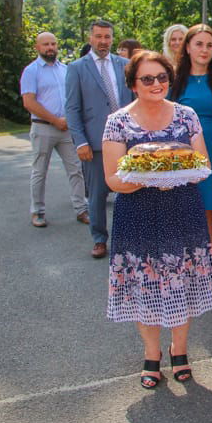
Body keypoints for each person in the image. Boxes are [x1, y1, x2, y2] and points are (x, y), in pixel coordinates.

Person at [102, 50, 212, 389]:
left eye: (162, 77)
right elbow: (112, 179)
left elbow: (201, 167)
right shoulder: (118, 121)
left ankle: (179, 349)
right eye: (147, 79)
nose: (156, 84)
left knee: (182, 284)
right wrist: (151, 177)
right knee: (145, 286)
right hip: (137, 215)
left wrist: (174, 171)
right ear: (133, 84)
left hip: (183, 211)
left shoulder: (187, 115)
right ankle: (152, 354)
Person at [170, 24, 212, 301]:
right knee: (199, 219)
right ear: (187, 47)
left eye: (209, 45)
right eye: (198, 44)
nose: (204, 50)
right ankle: (204, 272)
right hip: (189, 155)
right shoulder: (175, 80)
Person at [65, 20, 134, 258]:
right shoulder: (76, 68)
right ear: (90, 38)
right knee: (97, 195)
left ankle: (127, 237)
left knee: (129, 190)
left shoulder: (125, 65)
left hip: (127, 141)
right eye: (98, 36)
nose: (103, 41)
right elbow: (72, 109)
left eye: (107, 37)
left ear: (112, 38)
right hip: (94, 144)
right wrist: (80, 141)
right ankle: (99, 239)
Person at [20, 32, 89, 228]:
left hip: (67, 128)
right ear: (37, 47)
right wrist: (54, 120)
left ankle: (81, 209)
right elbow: (29, 102)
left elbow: (75, 97)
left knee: (76, 170)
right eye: (45, 44)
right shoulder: (31, 71)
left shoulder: (65, 69)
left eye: (53, 44)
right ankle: (38, 212)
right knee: (40, 171)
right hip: (43, 128)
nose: (50, 47)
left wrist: (68, 120)